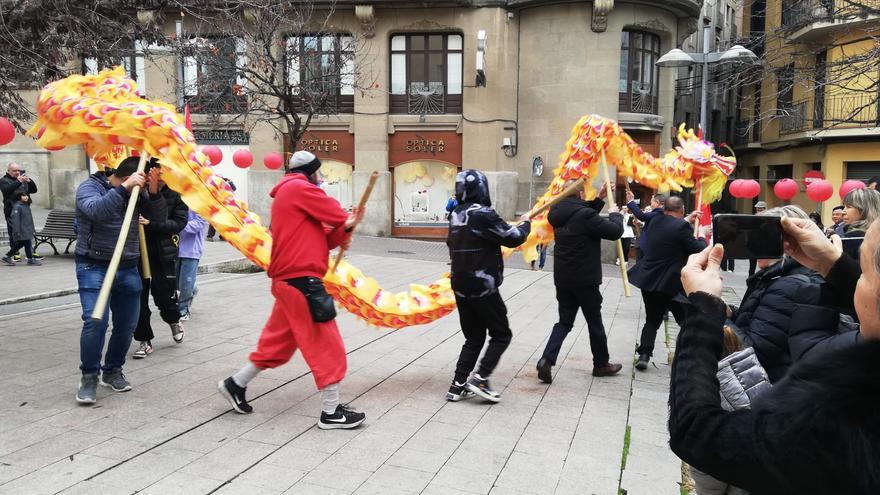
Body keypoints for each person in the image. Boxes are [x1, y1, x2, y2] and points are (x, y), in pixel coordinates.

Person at [668, 215, 880, 494]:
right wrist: (831, 264)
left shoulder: (848, 420)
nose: (857, 286)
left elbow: (699, 434)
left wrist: (703, 310)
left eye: (862, 271)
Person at [218, 150, 367, 430]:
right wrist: (347, 219)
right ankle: (331, 411)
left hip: (292, 280)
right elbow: (335, 215)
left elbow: (327, 238)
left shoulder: (294, 193)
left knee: (278, 343)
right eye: (319, 173)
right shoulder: (299, 188)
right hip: (300, 280)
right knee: (327, 343)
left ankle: (236, 383)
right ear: (310, 171)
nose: (321, 178)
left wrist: (346, 227)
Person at [728, 205, 858, 382]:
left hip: (772, 388)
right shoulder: (775, 276)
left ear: (789, 241)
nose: (754, 244)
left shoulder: (788, 284)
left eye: (765, 238)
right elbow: (762, 323)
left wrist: (712, 313)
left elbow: (755, 353)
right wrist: (730, 313)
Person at [73, 157, 163, 404]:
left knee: (127, 324)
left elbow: (157, 218)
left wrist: (153, 193)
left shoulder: (139, 193)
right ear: (127, 177)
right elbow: (96, 212)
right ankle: (89, 376)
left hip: (127, 266)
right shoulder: (90, 187)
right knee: (95, 321)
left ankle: (113, 370)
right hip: (94, 265)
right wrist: (124, 189)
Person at [446, 169, 530, 403]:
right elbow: (513, 237)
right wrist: (526, 224)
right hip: (482, 285)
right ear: (481, 188)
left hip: (460, 284)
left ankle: (457, 385)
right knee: (502, 334)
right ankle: (480, 378)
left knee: (473, 337)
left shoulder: (455, 214)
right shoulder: (483, 214)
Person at [535, 181, 624, 383]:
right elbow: (614, 231)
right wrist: (615, 214)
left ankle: (546, 359)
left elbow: (582, 215)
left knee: (564, 322)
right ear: (580, 194)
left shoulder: (556, 215)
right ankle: (601, 365)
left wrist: (600, 198)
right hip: (585, 279)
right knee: (595, 323)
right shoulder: (585, 216)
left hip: (563, 278)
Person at [627, 196, 708, 371]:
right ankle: (692, 355)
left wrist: (688, 220)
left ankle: (644, 354)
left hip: (648, 279)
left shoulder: (655, 219)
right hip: (670, 284)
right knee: (686, 319)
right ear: (682, 209)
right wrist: (702, 235)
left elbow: (670, 227)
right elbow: (697, 248)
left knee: (652, 319)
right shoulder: (681, 227)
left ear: (664, 208)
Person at [132, 160, 188, 359]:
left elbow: (179, 223)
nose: (160, 175)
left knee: (164, 297)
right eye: (157, 171)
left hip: (161, 253)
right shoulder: (138, 190)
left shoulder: (175, 194)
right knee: (138, 299)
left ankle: (174, 320)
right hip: (137, 253)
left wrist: (152, 224)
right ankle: (143, 340)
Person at [1, 162, 39, 262]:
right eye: (14, 171)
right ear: (8, 170)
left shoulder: (23, 179)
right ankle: (15, 254)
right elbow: (7, 191)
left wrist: (29, 181)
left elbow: (34, 190)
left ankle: (27, 256)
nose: (17, 172)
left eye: (18, 170)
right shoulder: (4, 180)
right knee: (14, 233)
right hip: (12, 211)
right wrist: (18, 181)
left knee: (27, 233)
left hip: (25, 210)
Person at [177, 210, 208, 321]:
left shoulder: (200, 203)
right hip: (175, 247)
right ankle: (193, 289)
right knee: (176, 283)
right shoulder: (176, 198)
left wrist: (178, 224)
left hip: (192, 249)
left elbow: (199, 224)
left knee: (186, 283)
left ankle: (183, 310)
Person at [840, 187, 880, 260]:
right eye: (844, 207)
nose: (843, 212)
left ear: (866, 209)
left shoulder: (854, 237)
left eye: (849, 207)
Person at [626, 190, 667, 260]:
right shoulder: (661, 213)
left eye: (652, 202)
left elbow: (641, 216)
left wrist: (631, 201)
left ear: (657, 203)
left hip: (649, 247)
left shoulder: (659, 213)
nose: (650, 204)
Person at [2, 191, 40, 266]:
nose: (26, 197)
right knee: (25, 243)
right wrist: (17, 232)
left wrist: (33, 230)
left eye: (26, 195)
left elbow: (30, 220)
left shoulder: (25, 206)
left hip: (27, 230)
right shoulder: (17, 207)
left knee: (24, 244)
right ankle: (29, 259)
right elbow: (16, 221)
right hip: (22, 230)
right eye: (23, 196)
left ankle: (8, 256)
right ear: (19, 197)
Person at [206, 176, 236, 241]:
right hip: (216, 206)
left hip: (225, 206)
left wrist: (230, 181)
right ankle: (209, 236)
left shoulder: (227, 184)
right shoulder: (214, 186)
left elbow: (234, 188)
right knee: (214, 221)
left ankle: (222, 236)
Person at [748, 201, 768, 276]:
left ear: (764, 209)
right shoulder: (754, 218)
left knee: (764, 264)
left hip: (764, 244)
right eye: (757, 209)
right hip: (754, 244)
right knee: (752, 265)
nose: (758, 210)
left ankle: (764, 277)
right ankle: (750, 278)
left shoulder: (768, 219)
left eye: (760, 209)